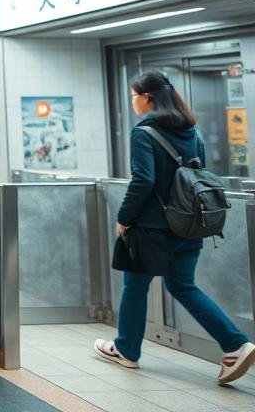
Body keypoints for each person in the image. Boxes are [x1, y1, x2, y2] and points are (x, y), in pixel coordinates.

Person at [94, 71, 255, 385]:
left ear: (147, 98)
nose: (133, 101)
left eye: (133, 96)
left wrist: (124, 218)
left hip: (152, 228)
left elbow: (144, 180)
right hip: (188, 223)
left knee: (135, 286)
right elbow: (199, 173)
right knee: (182, 286)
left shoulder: (143, 133)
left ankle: (126, 349)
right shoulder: (191, 130)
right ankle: (236, 344)